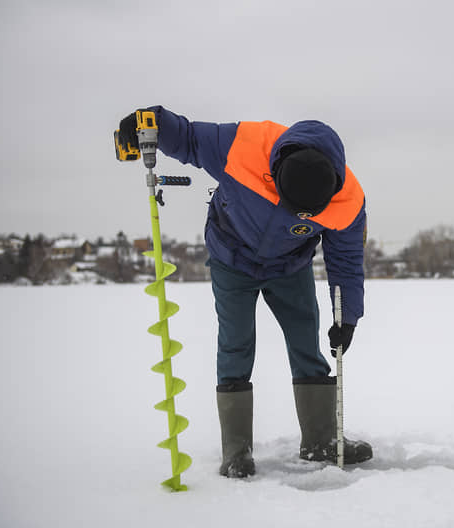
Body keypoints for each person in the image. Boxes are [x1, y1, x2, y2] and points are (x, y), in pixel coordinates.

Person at [116, 107, 372, 478]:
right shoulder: (242, 145)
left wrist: (347, 317)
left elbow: (346, 261)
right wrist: (150, 120)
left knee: (305, 341)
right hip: (231, 256)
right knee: (236, 343)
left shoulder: (347, 202)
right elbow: (187, 136)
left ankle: (319, 442)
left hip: (290, 266)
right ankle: (236, 451)